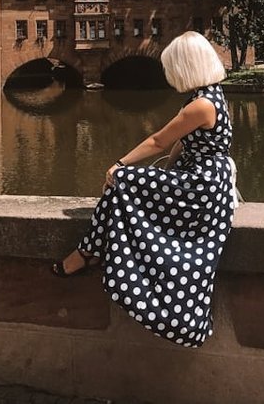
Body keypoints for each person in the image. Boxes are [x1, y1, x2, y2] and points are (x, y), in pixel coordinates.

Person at [52, 31, 238, 349]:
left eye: (171, 67)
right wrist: (163, 175)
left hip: (202, 189)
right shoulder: (210, 96)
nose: (168, 75)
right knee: (125, 186)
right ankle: (87, 252)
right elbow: (181, 143)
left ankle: (86, 253)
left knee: (122, 181)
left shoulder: (200, 105)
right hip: (205, 184)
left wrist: (119, 164)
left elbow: (158, 141)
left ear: (185, 67)